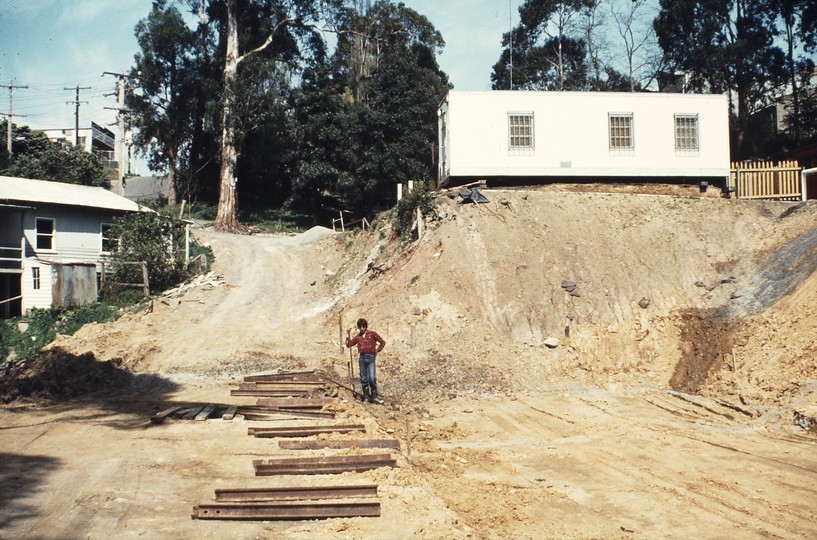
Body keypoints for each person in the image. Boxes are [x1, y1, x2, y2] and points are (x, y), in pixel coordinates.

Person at [346, 318, 386, 403]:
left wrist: (377, 350)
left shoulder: (372, 334)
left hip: (371, 357)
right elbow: (349, 345)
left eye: (363, 327)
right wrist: (347, 335)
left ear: (366, 326)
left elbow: (382, 342)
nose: (362, 329)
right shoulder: (358, 337)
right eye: (360, 327)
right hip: (362, 358)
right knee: (364, 378)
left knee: (372, 378)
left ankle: (374, 396)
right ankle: (366, 396)